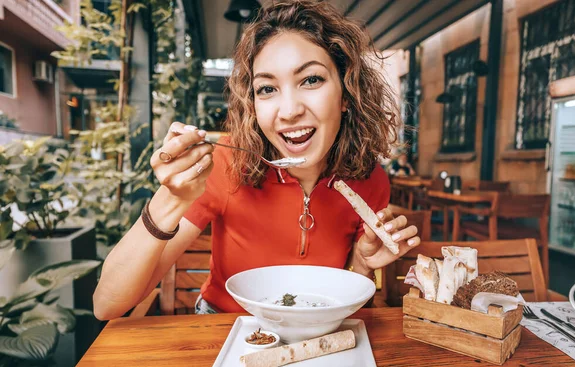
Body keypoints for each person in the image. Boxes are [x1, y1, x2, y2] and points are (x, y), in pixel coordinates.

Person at [93, 0, 420, 319]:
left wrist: (361, 266)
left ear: (346, 95)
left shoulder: (370, 180)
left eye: (311, 80)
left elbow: (346, 306)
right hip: (220, 329)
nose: (289, 111)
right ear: (253, 105)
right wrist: (172, 198)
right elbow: (109, 304)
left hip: (317, 332)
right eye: (267, 89)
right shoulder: (224, 163)